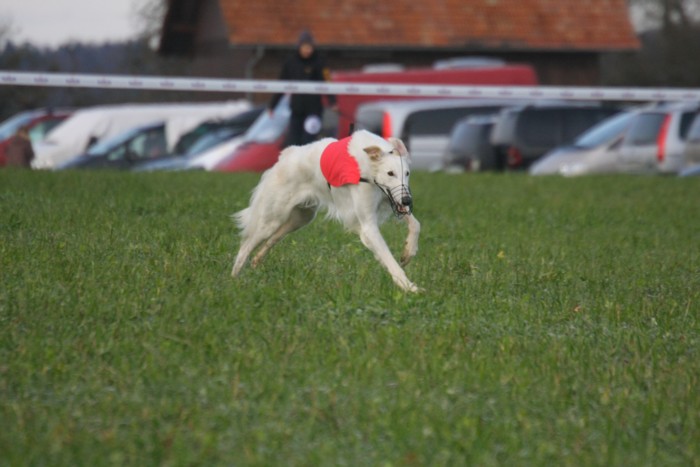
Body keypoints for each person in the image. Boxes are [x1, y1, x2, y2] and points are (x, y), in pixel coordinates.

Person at [269, 30, 336, 147]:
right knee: (293, 143)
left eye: (310, 47)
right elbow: (281, 85)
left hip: (313, 111)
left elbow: (328, 83)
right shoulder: (291, 62)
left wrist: (333, 101)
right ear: (299, 46)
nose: (307, 50)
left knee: (308, 142)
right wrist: (272, 105)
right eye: (305, 47)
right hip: (297, 111)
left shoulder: (320, 62)